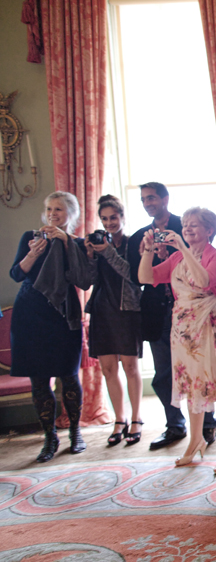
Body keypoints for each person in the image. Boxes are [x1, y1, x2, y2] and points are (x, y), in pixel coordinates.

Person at [138, 207, 216, 473]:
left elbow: (204, 280)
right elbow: (145, 277)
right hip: (182, 326)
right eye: (185, 225)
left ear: (209, 230)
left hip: (209, 325)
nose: (188, 228)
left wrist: (181, 247)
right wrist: (147, 249)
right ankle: (195, 441)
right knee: (193, 384)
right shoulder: (175, 259)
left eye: (195, 225)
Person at [127, 182, 216, 450]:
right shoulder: (138, 237)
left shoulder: (187, 225)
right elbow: (139, 277)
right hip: (157, 311)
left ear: (165, 199)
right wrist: (150, 254)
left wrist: (178, 250)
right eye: (143, 199)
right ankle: (175, 426)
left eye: (152, 198)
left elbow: (208, 264)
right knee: (164, 374)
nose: (147, 203)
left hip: (193, 310)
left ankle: (208, 425)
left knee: (199, 368)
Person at [10, 191, 93, 462]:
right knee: (39, 379)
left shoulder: (78, 244)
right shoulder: (30, 237)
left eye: (58, 209)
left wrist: (68, 243)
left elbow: (84, 280)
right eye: (49, 209)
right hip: (30, 315)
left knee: (68, 376)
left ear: (70, 214)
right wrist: (33, 254)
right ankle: (49, 438)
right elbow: (16, 274)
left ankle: (75, 433)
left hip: (63, 316)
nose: (52, 214)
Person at [84, 195, 144, 446]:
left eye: (114, 217)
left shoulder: (132, 243)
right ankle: (119, 419)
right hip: (101, 310)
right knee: (108, 369)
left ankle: (136, 418)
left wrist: (108, 252)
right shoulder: (97, 244)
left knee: (130, 367)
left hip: (126, 310)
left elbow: (133, 275)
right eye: (104, 218)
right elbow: (85, 280)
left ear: (122, 217)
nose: (109, 223)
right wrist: (89, 255)